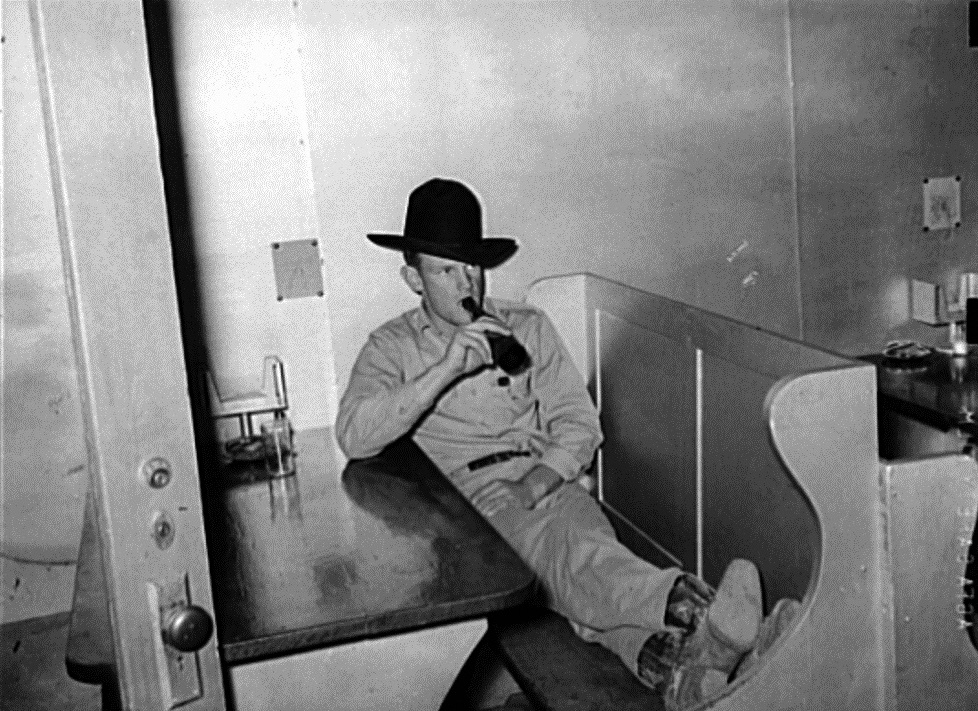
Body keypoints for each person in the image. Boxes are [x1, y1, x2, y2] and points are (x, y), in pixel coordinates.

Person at [336, 177, 797, 709]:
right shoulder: (391, 347)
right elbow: (354, 435)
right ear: (412, 278)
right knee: (572, 559)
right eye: (445, 270)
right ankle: (730, 622)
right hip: (469, 508)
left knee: (581, 574)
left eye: (473, 267)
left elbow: (580, 424)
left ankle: (688, 673)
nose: (468, 284)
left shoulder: (525, 326)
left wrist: (536, 483)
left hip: (544, 481)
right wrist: (440, 372)